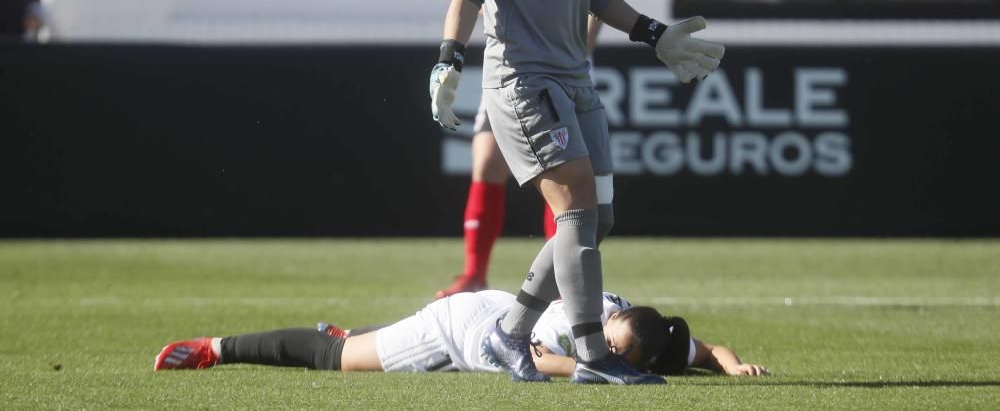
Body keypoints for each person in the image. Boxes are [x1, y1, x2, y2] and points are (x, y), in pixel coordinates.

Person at [428, 0, 725, 385]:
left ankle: (510, 334)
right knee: (576, 212)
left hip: (574, 77)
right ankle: (591, 353)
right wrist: (448, 59)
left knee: (600, 216)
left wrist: (653, 33)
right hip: (522, 79)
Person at [153, 289, 769, 379]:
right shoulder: (574, 326)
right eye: (615, 345)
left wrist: (733, 367)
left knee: (355, 340)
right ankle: (217, 348)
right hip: (462, 330)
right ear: (609, 322)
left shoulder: (645, 331)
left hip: (496, 308)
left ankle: (359, 330)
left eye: (622, 352)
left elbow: (707, 350)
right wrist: (601, 369)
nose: (615, 352)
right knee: (336, 359)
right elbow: (540, 358)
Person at [436, 0, 611, 300]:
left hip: (562, 74)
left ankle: (562, 277)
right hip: (505, 73)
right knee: (487, 163)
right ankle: (474, 274)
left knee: (561, 171)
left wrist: (572, 54)